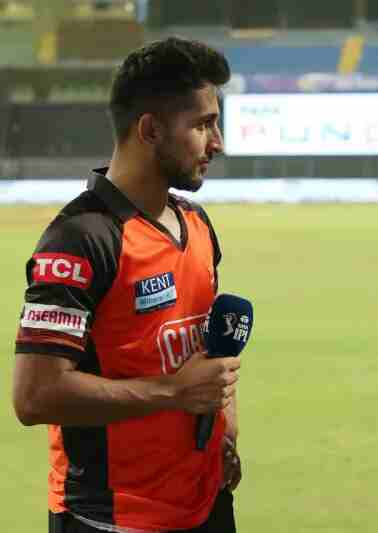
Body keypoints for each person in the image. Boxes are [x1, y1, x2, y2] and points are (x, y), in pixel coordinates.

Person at [13, 37, 242, 533]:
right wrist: (172, 393)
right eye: (203, 125)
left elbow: (205, 355)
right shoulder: (80, 240)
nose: (218, 142)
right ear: (150, 130)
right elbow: (34, 396)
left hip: (206, 505)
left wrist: (224, 427)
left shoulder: (197, 224)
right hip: (111, 519)